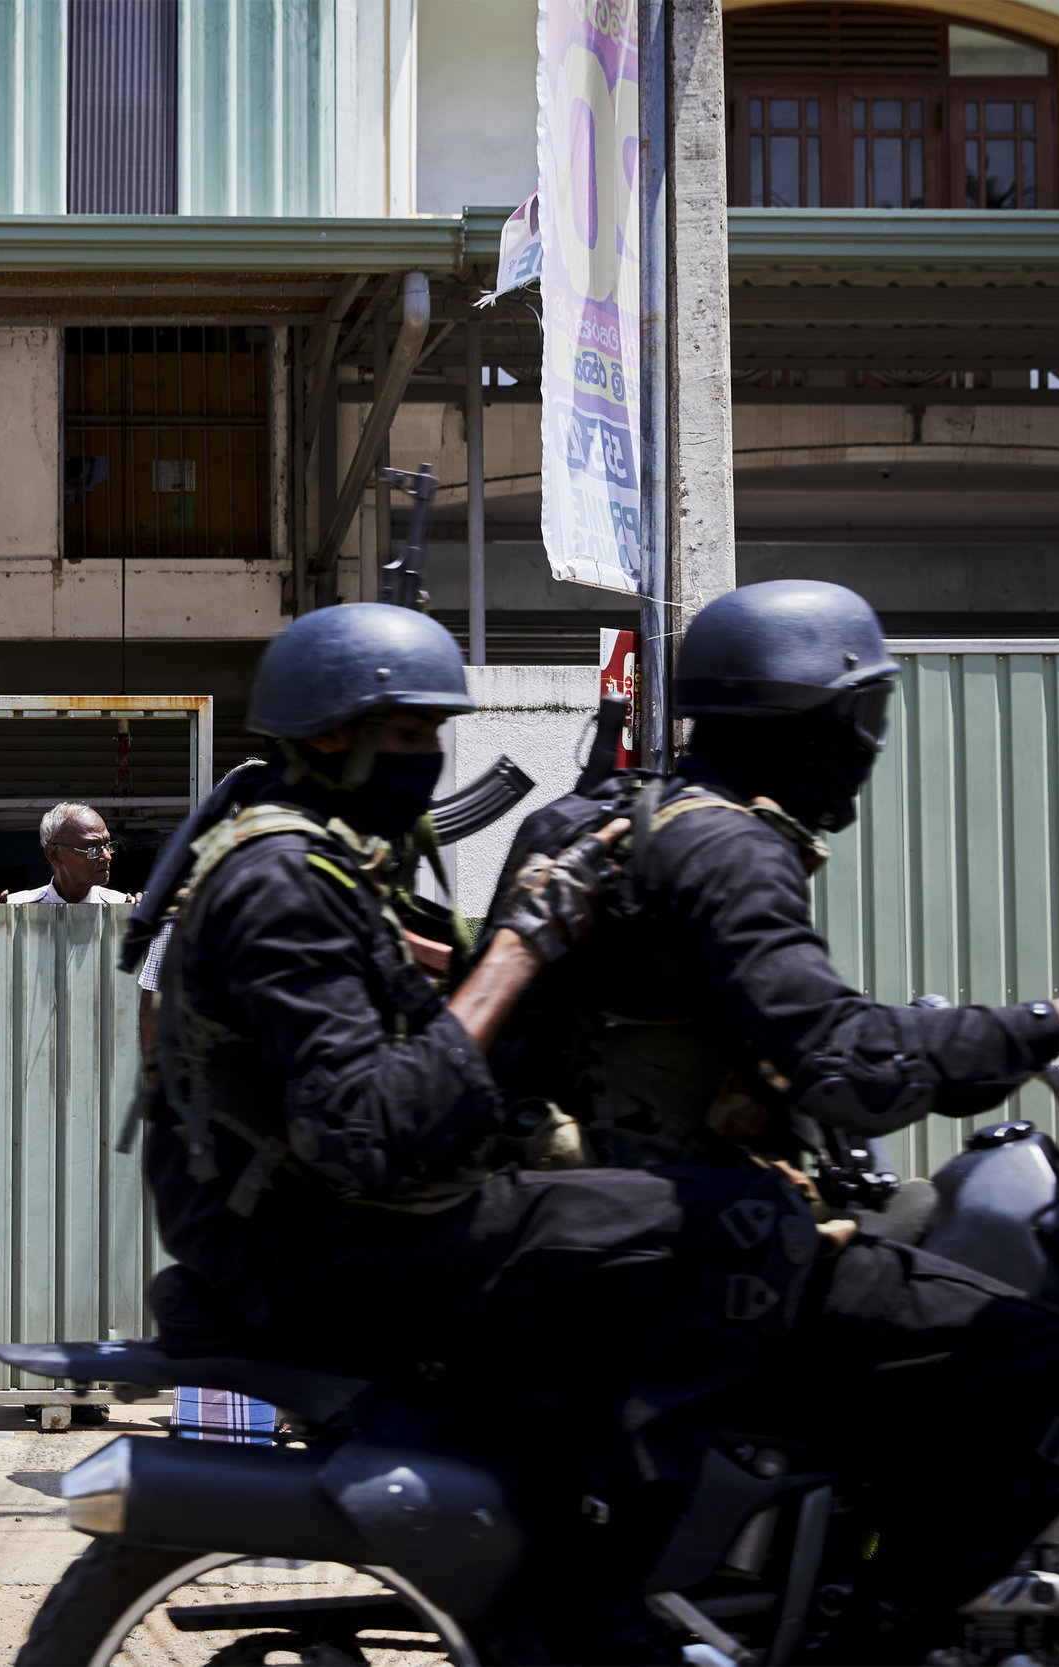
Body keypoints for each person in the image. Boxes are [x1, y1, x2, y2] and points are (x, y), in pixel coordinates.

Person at [132, 602, 825, 1660]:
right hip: (317, 1237)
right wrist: (517, 949)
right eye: (408, 734)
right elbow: (370, 1129)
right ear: (330, 737)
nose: (430, 756)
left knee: (621, 1201)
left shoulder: (323, 859)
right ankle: (608, 1577)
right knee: (740, 1223)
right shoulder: (280, 885)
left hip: (310, 1213)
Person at [485, 578, 1059, 1662]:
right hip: (701, 1243)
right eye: (863, 719)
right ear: (808, 722)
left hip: (585, 1226)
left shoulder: (600, 814)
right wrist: (1055, 1023)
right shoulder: (729, 851)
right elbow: (842, 1063)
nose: (869, 745)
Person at [0, 802, 133, 924]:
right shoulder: (15, 910)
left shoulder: (125, 909)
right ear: (54, 855)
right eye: (92, 848)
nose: (107, 856)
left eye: (107, 846)